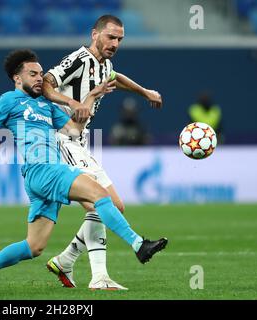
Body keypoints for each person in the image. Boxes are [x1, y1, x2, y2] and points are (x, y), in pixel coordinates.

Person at [0, 49, 167, 292]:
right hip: (43, 169)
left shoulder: (46, 104)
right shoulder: (8, 101)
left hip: (44, 175)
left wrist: (91, 97)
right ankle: (139, 245)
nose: (40, 78)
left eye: (41, 73)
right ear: (17, 78)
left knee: (34, 246)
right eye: (33, 74)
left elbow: (74, 131)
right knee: (101, 196)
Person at [41, 14, 163, 290]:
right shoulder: (79, 59)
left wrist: (145, 92)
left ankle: (66, 260)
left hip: (80, 140)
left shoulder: (104, 64)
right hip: (63, 137)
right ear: (94, 34)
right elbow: (46, 84)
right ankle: (99, 277)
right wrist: (73, 102)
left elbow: (115, 77)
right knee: (100, 203)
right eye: (111, 36)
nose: (115, 43)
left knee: (114, 206)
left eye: (120, 39)